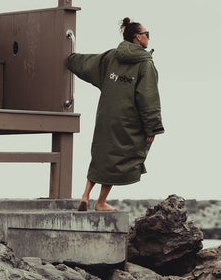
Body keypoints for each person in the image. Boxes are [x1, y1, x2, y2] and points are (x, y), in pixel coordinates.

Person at [66, 17, 164, 211]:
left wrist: (70, 59)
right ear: (137, 38)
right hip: (129, 122)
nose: (148, 38)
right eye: (147, 35)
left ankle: (85, 195)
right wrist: (152, 128)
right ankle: (101, 202)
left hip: (106, 116)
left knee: (101, 156)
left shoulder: (112, 57)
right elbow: (148, 98)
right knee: (118, 160)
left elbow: (87, 64)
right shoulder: (145, 64)